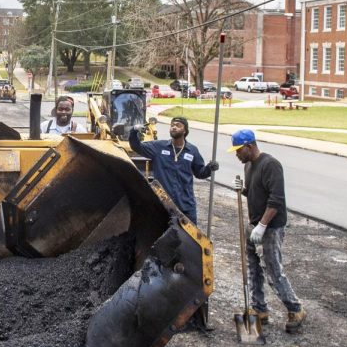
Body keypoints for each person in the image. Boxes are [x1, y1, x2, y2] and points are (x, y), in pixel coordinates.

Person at [229, 129, 305, 333]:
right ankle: (260, 309)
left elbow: (276, 200)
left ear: (249, 146)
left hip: (270, 227)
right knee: (253, 268)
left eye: (238, 150)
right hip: (254, 225)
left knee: (273, 270)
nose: (237, 154)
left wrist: (262, 226)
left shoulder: (271, 165)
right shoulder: (248, 166)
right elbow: (256, 193)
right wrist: (242, 190)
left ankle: (295, 309)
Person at [128, 116, 218, 223]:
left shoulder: (192, 151)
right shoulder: (159, 147)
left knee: (190, 236)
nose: (174, 127)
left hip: (186, 205)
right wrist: (134, 131)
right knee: (162, 235)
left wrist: (209, 168)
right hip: (163, 204)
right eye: (172, 125)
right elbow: (136, 146)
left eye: (178, 125)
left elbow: (199, 173)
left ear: (185, 131)